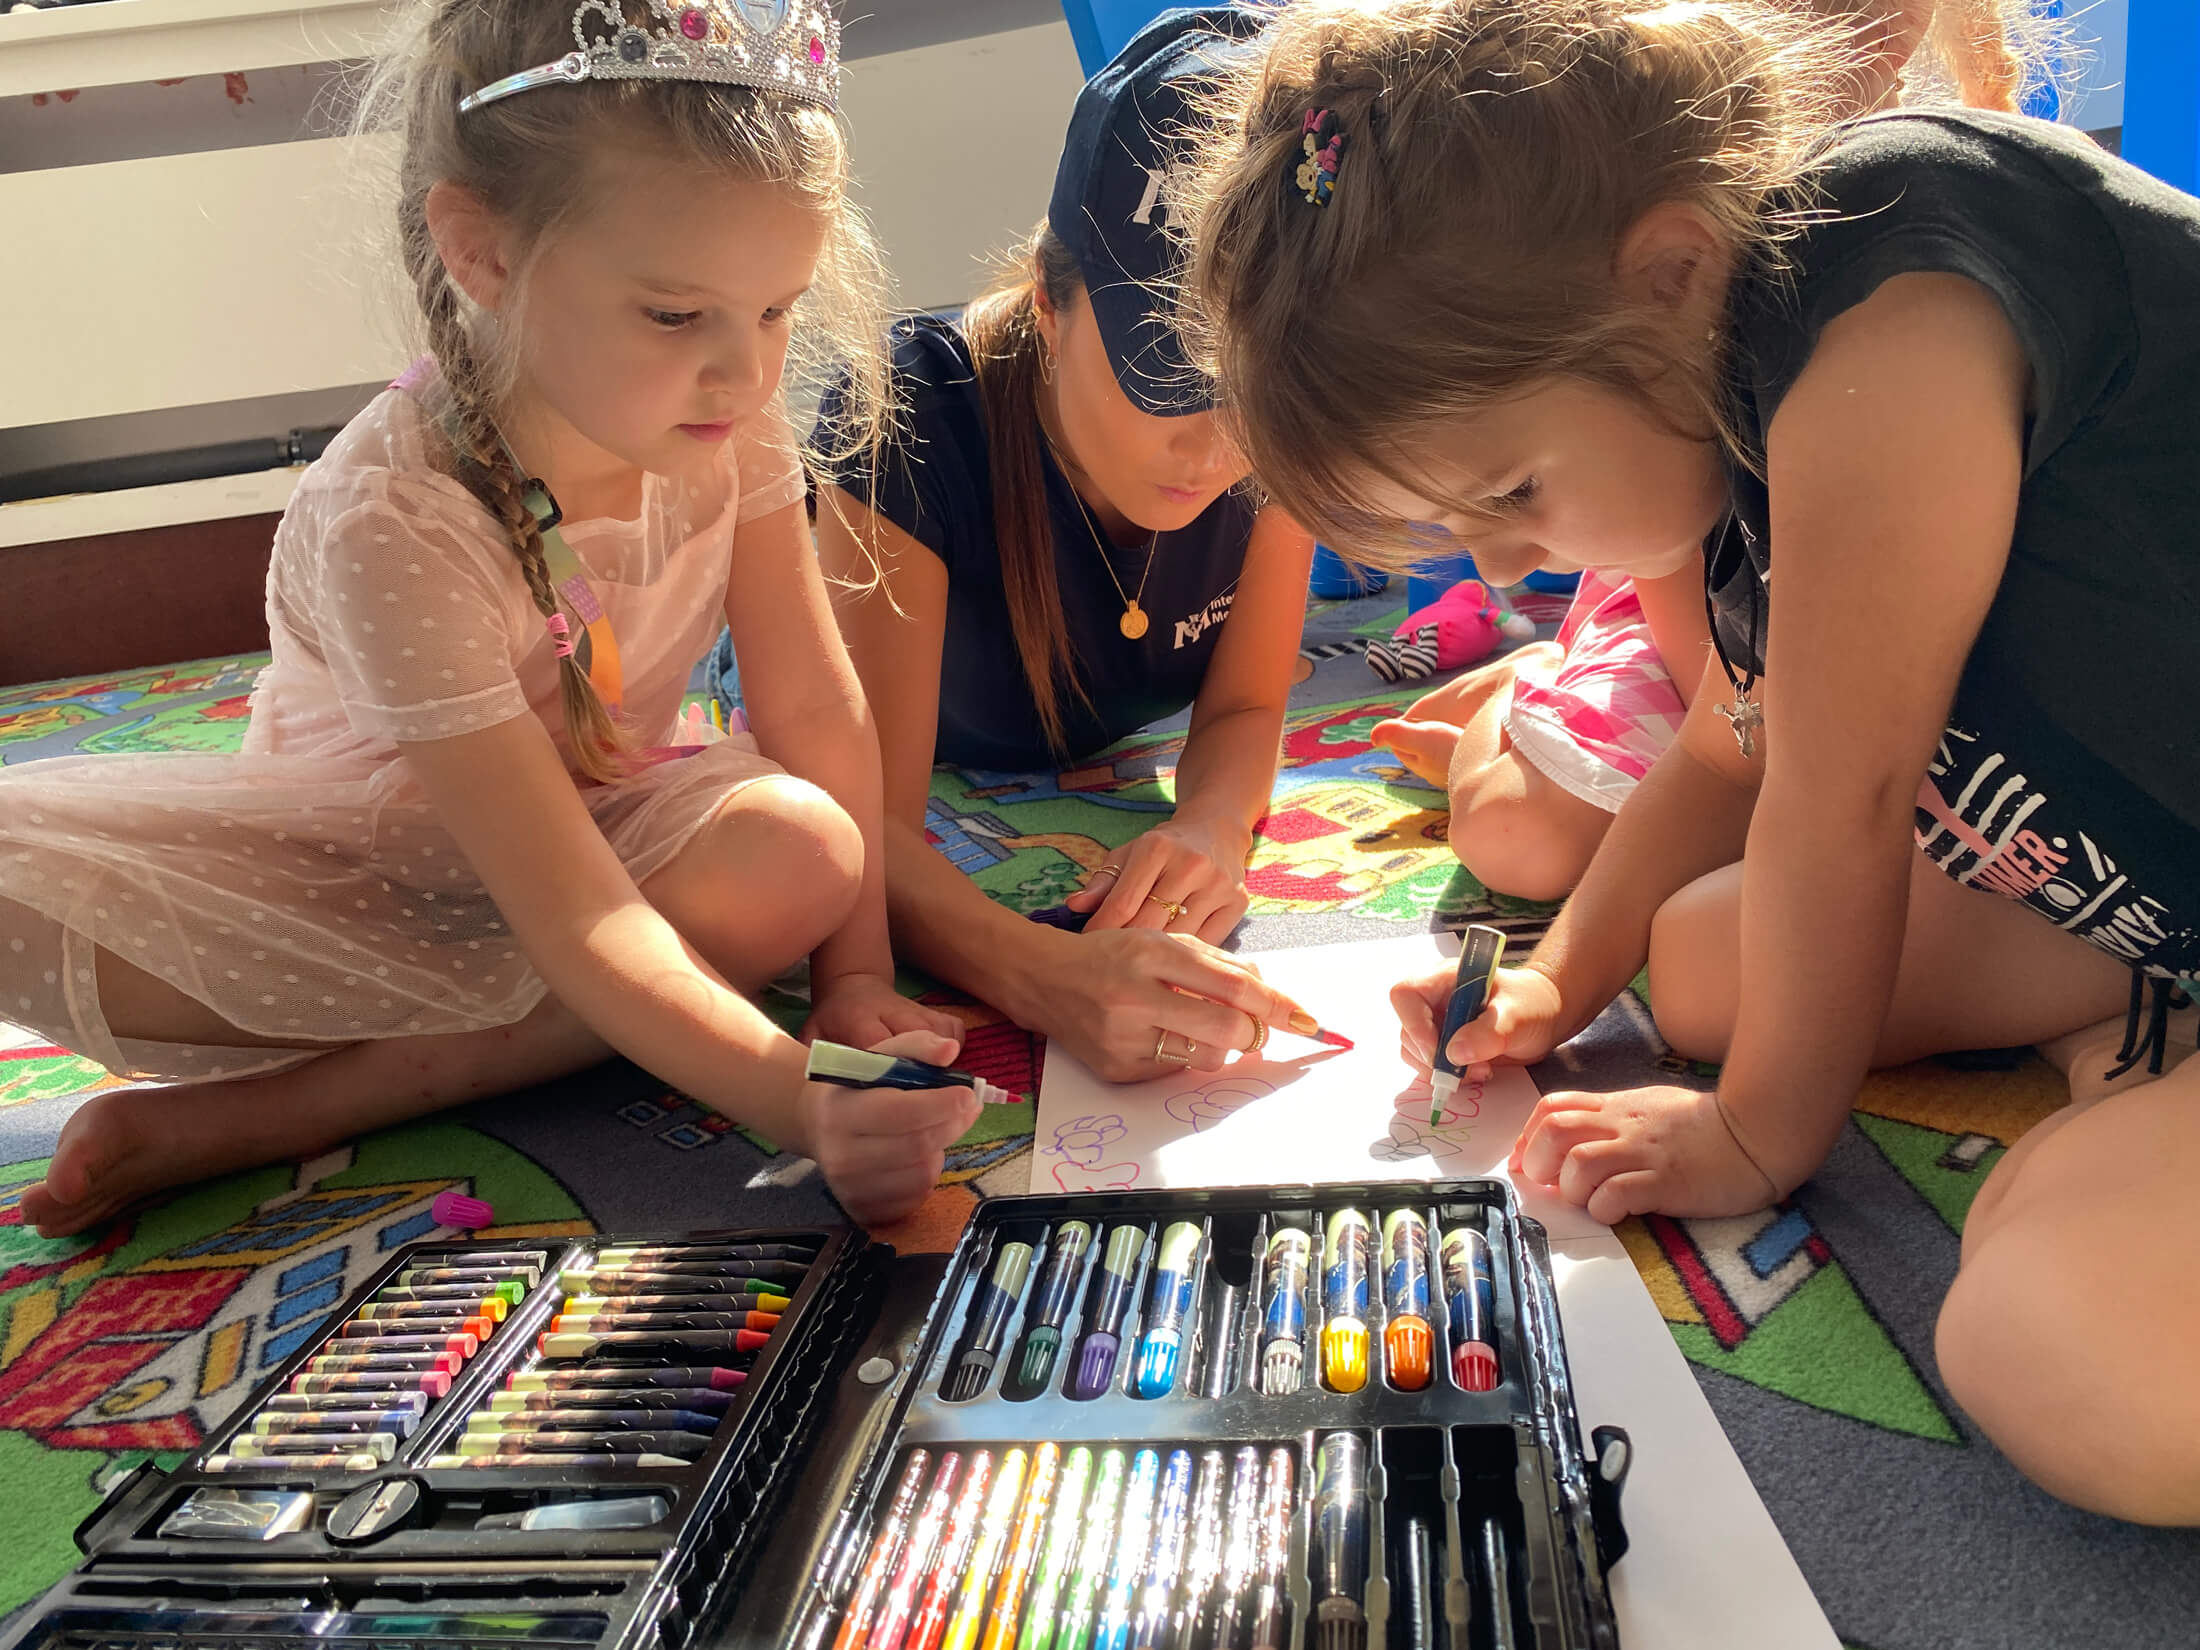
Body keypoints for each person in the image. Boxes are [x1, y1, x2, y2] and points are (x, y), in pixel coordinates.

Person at [1182, 0, 2200, 1521]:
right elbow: (1742, 739)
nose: (1512, 564)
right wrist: (1556, 980)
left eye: (1515, 490)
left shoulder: (1894, 296)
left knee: (2050, 1340)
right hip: (2135, 863)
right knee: (1706, 960)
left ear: (1666, 271)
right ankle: (2142, 1023)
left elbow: (1841, 801)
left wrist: (1755, 1132)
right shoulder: (1730, 385)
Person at [1, 0, 994, 1234]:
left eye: (777, 310)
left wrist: (853, 978)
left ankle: (324, 1095)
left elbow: (808, 705)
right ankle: (297, 1102)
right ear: (483, 252)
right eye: (678, 315)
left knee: (805, 849)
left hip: (603, 823)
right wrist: (800, 1100)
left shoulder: (728, 430)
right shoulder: (394, 517)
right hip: (370, 871)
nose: (745, 373)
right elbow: (577, 919)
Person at [1364, 0, 2048, 904]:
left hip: (1791, 669)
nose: (1496, 569)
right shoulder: (1667, 368)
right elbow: (1737, 727)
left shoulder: (1909, 272)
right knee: (1522, 839)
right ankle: (1528, 691)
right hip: (1695, 645)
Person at [755, 9, 1319, 1083]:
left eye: (1261, 394)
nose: (1214, 448)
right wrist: (1037, 976)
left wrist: (1207, 826)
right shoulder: (907, 421)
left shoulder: (1275, 444)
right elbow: (865, 817)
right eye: (1169, 382)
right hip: (864, 742)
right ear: (1050, 306)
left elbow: (1245, 709)